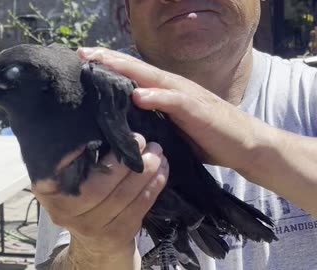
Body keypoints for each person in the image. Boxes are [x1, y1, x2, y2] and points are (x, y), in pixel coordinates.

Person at [32, 0, 317, 269]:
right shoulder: (83, 105)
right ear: (127, 10)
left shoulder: (308, 95)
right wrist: (95, 251)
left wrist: (254, 147)